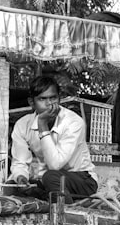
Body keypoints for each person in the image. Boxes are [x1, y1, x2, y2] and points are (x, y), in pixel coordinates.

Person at [6, 72, 98, 200]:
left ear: (59, 98)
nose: (49, 104)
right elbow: (19, 163)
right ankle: (47, 199)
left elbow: (55, 165)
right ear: (32, 102)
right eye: (42, 99)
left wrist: (42, 125)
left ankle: (65, 214)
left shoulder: (73, 122)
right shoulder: (22, 125)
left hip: (81, 179)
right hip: (48, 180)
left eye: (53, 98)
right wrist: (21, 177)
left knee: (51, 177)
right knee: (11, 186)